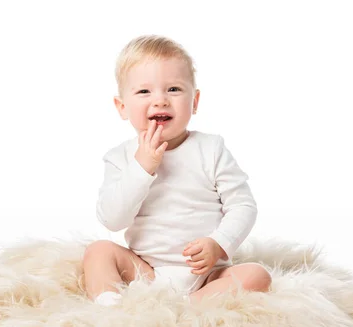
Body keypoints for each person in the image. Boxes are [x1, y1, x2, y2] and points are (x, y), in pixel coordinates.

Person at [83, 35, 272, 306]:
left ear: (194, 102)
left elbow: (243, 206)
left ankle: (189, 308)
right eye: (144, 92)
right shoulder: (120, 158)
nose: (160, 100)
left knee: (257, 276)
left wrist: (218, 243)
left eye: (173, 89)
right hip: (144, 271)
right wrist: (141, 168)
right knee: (98, 252)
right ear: (122, 107)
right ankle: (111, 309)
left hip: (206, 274)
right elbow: (112, 219)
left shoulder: (211, 149)